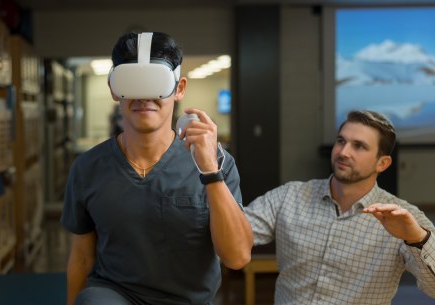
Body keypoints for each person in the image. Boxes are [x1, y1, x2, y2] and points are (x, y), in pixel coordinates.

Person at [61, 31, 253, 305]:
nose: (144, 96)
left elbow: (237, 258)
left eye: (155, 83)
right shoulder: (88, 168)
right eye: (133, 83)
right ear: (115, 88)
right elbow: (81, 257)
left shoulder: (218, 163)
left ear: (180, 88)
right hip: (116, 296)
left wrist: (210, 172)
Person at [244, 110, 435, 304]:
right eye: (341, 141)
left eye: (359, 146)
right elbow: (236, 231)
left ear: (382, 163)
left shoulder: (402, 218)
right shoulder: (289, 196)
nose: (343, 152)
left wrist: (418, 239)